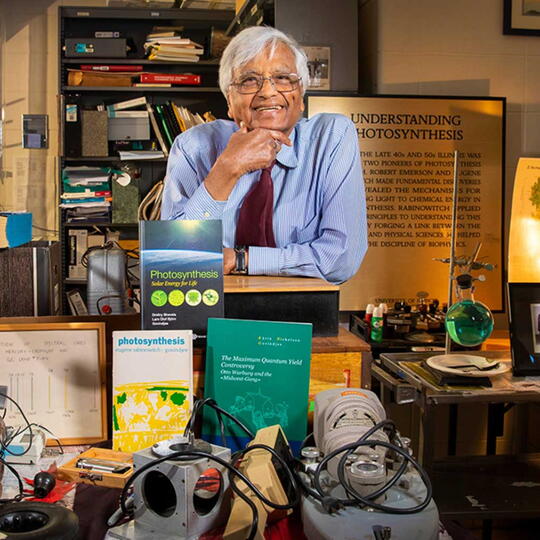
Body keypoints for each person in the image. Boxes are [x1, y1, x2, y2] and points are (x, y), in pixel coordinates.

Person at [161, 26, 367, 284]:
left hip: (303, 317)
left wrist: (241, 260)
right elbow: (170, 262)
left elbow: (341, 260)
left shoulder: (332, 138)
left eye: (283, 78)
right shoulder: (192, 146)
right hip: (212, 315)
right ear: (229, 100)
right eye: (249, 80)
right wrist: (227, 168)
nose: (268, 92)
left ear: (300, 96)